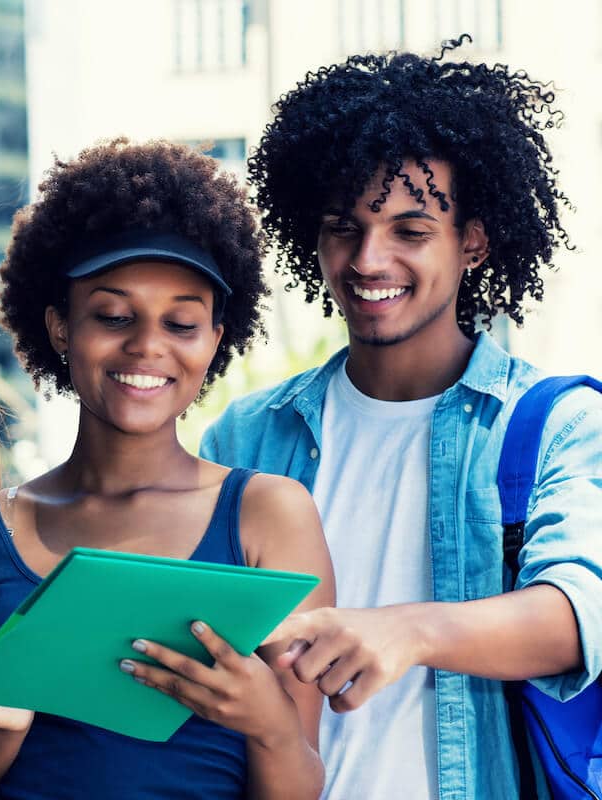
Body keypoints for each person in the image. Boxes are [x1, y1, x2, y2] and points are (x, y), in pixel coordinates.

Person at [199, 37, 602, 799]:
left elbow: (581, 612)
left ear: (473, 243)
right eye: (343, 227)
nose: (368, 259)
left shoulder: (556, 422)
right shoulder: (246, 437)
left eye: (410, 231)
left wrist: (404, 631)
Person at [0, 139, 336, 800]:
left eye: (183, 323)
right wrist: (0, 729)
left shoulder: (269, 516)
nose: (147, 346)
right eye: (114, 316)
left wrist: (271, 725)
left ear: (216, 341)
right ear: (59, 327)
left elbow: (301, 784)